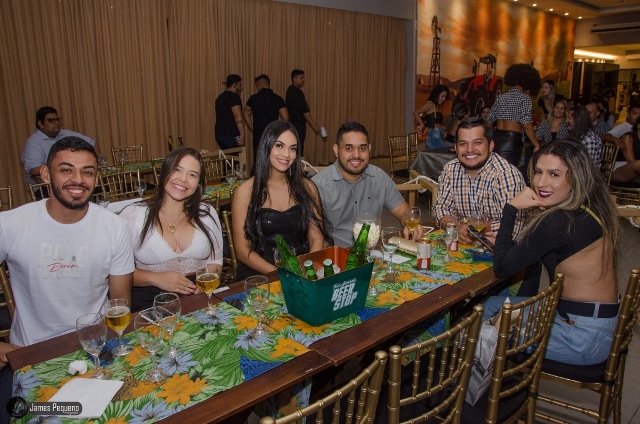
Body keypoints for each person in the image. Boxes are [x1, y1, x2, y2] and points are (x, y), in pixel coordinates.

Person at [0, 137, 134, 419]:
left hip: (96, 348)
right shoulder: (11, 224)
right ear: (46, 174)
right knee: (39, 416)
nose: (78, 180)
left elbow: (120, 303)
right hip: (31, 355)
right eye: (66, 170)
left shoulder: (115, 228)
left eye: (87, 172)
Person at [483, 140, 620, 366]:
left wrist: (511, 209)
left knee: (478, 330)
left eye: (554, 174)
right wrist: (509, 244)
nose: (541, 182)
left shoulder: (558, 221)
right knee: (489, 307)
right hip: (593, 321)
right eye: (538, 172)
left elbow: (502, 268)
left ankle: (481, 386)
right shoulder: (586, 208)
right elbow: (536, 250)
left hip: (581, 337)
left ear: (576, 178)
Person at [119, 147, 223, 312]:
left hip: (198, 295)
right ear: (164, 171)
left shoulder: (206, 213)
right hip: (150, 299)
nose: (183, 179)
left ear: (198, 183)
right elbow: (117, 273)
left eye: (192, 175)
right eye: (177, 170)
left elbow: (215, 261)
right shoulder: (133, 214)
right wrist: (156, 279)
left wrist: (205, 284)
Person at [232, 120, 331, 280]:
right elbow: (242, 251)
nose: (286, 154)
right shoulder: (245, 192)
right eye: (279, 146)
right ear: (266, 146)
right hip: (259, 271)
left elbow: (316, 238)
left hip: (301, 268)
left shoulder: (307, 187)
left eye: (292, 148)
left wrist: (308, 269)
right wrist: (280, 275)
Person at [312, 121, 422, 247]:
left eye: (362, 148)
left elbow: (403, 212)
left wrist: (410, 224)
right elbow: (314, 239)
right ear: (336, 150)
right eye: (349, 148)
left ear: (369, 149)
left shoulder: (379, 177)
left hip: (373, 253)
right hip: (336, 254)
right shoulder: (318, 186)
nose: (356, 155)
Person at [433, 117, 525, 244]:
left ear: (491, 145)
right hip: (463, 248)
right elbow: (442, 208)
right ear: (455, 147)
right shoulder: (450, 169)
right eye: (463, 144)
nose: (470, 149)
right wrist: (456, 225)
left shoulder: (506, 175)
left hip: (501, 249)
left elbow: (514, 226)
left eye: (477, 143)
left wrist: (474, 228)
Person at [21, 106, 101, 188]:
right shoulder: (33, 142)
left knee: (99, 184)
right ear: (41, 124)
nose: (56, 123)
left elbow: (93, 143)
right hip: (45, 186)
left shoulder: (65, 133)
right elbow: (34, 170)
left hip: (73, 180)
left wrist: (94, 163)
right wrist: (63, 164)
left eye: (57, 119)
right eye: (51, 121)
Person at [486, 63, 541, 167]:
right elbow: (526, 125)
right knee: (509, 171)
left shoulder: (501, 97)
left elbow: (489, 120)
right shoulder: (524, 98)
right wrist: (536, 144)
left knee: (497, 169)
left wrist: (489, 139)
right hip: (512, 140)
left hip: (497, 138)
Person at [243, 74, 288, 172]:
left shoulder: (254, 98)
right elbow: (285, 118)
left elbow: (246, 113)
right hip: (273, 135)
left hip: (259, 134)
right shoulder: (278, 98)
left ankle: (257, 179)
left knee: (258, 160)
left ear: (260, 85)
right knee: (273, 159)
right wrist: (278, 130)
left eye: (256, 86)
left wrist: (252, 128)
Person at [286, 69, 321, 157]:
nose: (303, 80)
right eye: (301, 78)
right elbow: (305, 111)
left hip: (292, 124)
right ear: (294, 79)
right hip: (298, 124)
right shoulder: (297, 92)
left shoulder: (290, 90)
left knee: (295, 146)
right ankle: (299, 165)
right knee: (298, 147)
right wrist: (314, 125)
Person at [603, 102, 640, 183]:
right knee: (638, 164)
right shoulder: (628, 135)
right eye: (634, 113)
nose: (637, 116)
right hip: (620, 170)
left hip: (634, 174)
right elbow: (631, 161)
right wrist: (615, 140)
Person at [413, 84, 449, 149]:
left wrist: (442, 127)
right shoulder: (430, 104)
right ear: (436, 94)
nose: (443, 99)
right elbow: (416, 112)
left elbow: (435, 122)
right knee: (445, 152)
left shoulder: (435, 106)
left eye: (445, 97)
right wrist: (422, 124)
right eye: (442, 96)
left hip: (438, 135)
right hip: (434, 137)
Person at [215, 74, 245, 149]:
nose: (241, 88)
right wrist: (242, 134)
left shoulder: (220, 98)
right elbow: (237, 117)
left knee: (225, 155)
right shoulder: (234, 97)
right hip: (231, 134)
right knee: (236, 155)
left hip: (219, 134)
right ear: (235, 85)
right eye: (240, 85)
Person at [567, 105, 602, 169]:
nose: (568, 121)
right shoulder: (576, 134)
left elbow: (587, 166)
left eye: (570, 118)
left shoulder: (589, 140)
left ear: (578, 119)